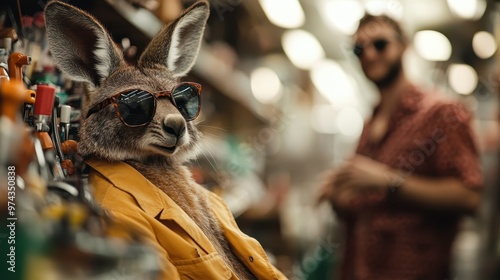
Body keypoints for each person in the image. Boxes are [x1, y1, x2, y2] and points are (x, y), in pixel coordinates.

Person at [318, 14, 483, 280]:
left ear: (404, 45)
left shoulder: (442, 114)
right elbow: (368, 207)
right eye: (360, 49)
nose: (369, 55)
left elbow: (469, 196)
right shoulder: (371, 123)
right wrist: (340, 195)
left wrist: (388, 180)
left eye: (380, 44)